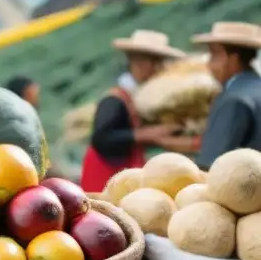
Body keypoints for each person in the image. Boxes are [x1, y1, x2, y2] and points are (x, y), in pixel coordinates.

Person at [81, 30, 186, 192]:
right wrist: (148, 134)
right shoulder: (114, 100)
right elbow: (101, 137)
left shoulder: (138, 97)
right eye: (158, 63)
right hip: (104, 176)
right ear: (140, 62)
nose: (161, 69)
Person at [192, 21, 261, 169]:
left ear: (233, 60)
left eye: (214, 55)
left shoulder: (233, 99)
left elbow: (210, 164)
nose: (209, 64)